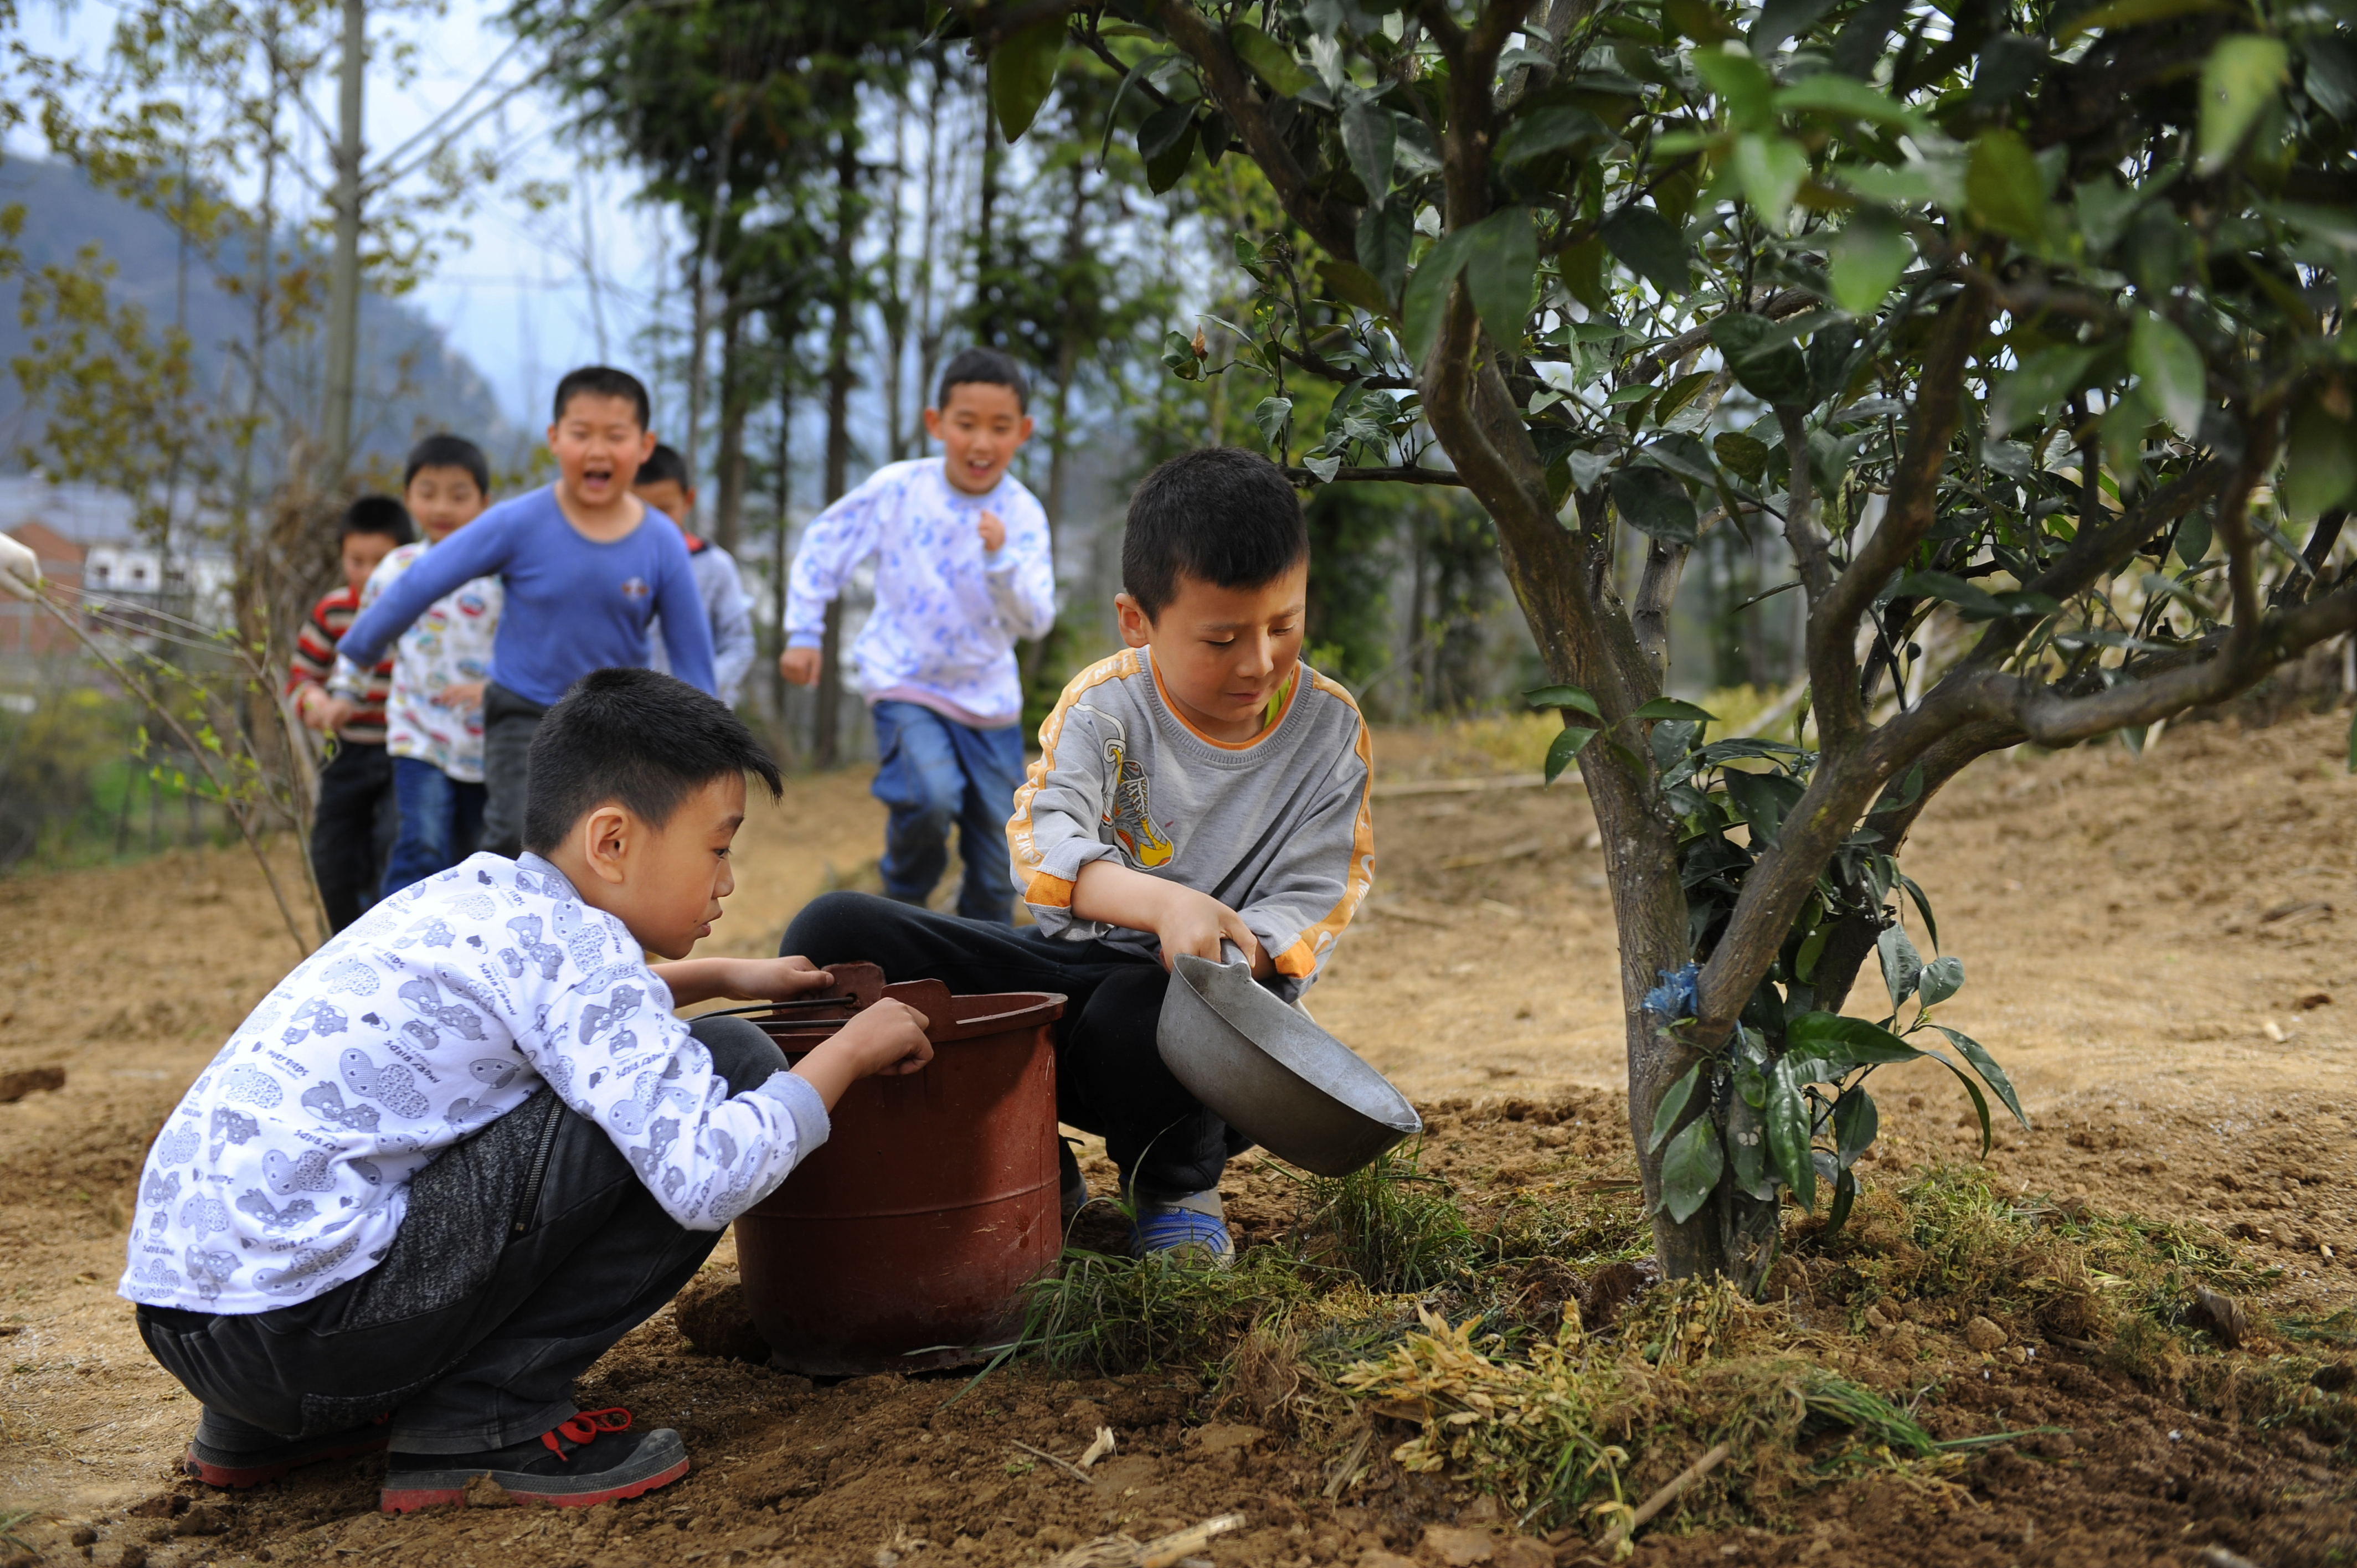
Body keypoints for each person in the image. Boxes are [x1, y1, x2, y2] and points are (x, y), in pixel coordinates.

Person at [120, 667, 935, 1512]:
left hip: (201, 1323)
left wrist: (720, 972)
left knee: (579, 1083)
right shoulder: (584, 955)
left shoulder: (469, 898)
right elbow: (706, 1175)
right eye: (719, 848)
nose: (727, 882)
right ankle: (488, 1414)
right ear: (612, 842)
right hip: (310, 1340)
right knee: (732, 1062)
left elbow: (560, 1014)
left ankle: (267, 1431)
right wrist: (844, 1054)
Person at [784, 447, 1373, 1262]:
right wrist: (1160, 902)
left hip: (1205, 1036)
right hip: (1069, 976)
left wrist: (1233, 953)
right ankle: (1028, 1167)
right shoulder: (1105, 704)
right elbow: (1042, 840)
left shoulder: (1330, 729)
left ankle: (1175, 1189)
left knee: (1157, 1008)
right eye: (1221, 637)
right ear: (1139, 622)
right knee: (836, 933)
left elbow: (1323, 885)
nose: (1259, 662)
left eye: (1284, 625)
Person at [338, 367, 717, 859]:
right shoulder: (520, 522)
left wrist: (709, 752)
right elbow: (425, 578)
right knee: (523, 842)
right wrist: (359, 652)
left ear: (644, 447)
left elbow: (693, 656)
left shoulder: (661, 541)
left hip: (616, 723)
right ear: (555, 439)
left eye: (615, 436)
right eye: (581, 434)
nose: (597, 450)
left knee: (607, 853)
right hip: (523, 710)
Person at [781, 346, 1056, 923]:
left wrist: (1000, 557)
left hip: (989, 702)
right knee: (929, 799)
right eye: (966, 424)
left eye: (999, 428)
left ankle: (980, 955)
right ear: (936, 424)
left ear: (1023, 433)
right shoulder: (898, 489)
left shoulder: (1022, 516)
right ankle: (901, 908)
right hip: (903, 680)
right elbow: (825, 541)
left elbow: (1035, 621)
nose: (981, 442)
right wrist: (803, 631)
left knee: (996, 853)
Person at [330, 435, 501, 896]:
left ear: (485, 503)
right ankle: (398, 949)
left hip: (489, 742)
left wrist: (494, 687)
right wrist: (346, 693)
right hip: (418, 735)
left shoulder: (501, 572)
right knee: (421, 844)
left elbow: (527, 645)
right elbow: (367, 635)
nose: (442, 506)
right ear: (408, 499)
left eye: (458, 494)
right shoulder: (397, 568)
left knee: (479, 856)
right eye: (428, 492)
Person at [289, 497, 416, 932]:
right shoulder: (333, 611)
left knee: (391, 848)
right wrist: (315, 703)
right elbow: (301, 676)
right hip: (347, 754)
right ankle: (344, 940)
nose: (367, 573)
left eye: (379, 561)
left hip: (406, 754)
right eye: (356, 561)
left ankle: (385, 937)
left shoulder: (423, 612)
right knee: (331, 857)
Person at [634, 443, 756, 706]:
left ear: (688, 500)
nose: (654, 522)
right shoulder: (613, 566)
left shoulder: (716, 567)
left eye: (665, 509)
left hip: (695, 723)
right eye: (642, 509)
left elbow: (739, 644)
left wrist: (698, 692)